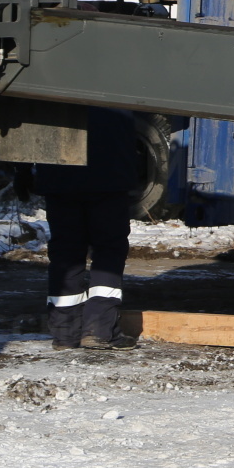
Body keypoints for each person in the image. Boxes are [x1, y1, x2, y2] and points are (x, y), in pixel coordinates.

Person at [35, 109, 140, 351]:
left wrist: (22, 172)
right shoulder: (119, 85)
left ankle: (64, 333)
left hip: (59, 175)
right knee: (108, 251)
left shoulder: (50, 81)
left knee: (65, 253)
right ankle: (100, 331)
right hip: (109, 176)